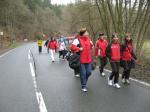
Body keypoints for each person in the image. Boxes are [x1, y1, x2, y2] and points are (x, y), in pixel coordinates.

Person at [71, 28, 93, 92]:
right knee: (83, 73)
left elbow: (91, 46)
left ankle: (84, 82)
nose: (88, 33)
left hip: (88, 59)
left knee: (89, 72)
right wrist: (78, 48)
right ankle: (83, 86)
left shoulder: (89, 40)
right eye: (86, 32)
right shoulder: (77, 40)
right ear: (83, 33)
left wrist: (92, 46)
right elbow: (72, 48)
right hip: (81, 60)